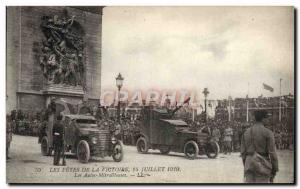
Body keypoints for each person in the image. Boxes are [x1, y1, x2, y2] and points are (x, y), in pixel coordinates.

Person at [241, 110, 278, 183]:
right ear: (263, 119)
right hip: (262, 162)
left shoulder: (246, 133)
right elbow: (272, 153)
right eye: (267, 118)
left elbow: (243, 153)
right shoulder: (268, 133)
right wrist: (274, 169)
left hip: (248, 162)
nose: (268, 120)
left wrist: (246, 164)